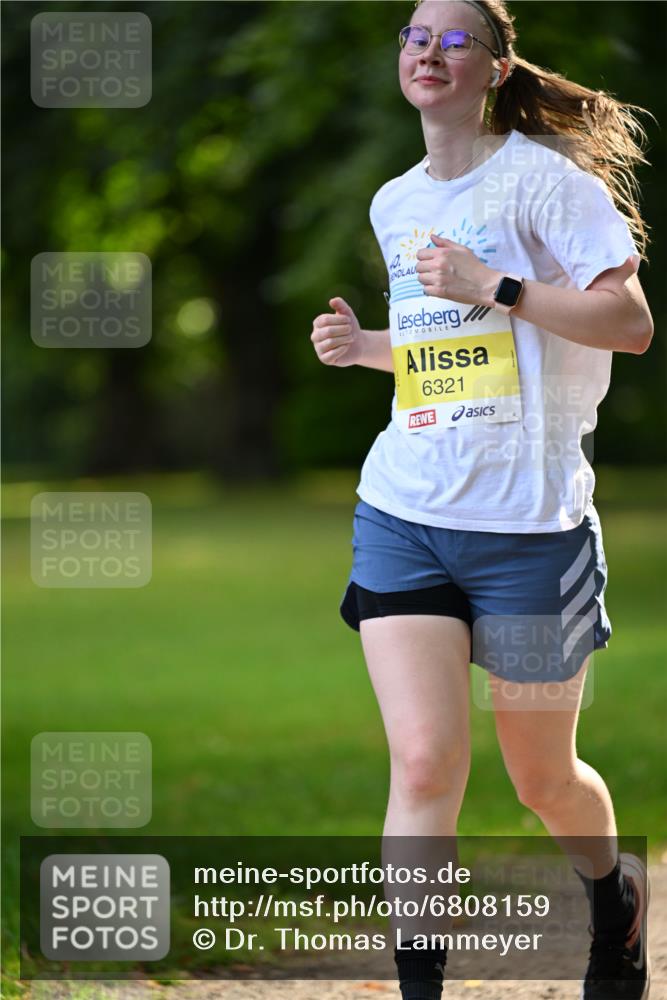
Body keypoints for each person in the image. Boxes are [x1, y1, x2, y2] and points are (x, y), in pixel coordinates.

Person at [310, 1, 655, 997]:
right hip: (405, 516)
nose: (427, 52)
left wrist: (493, 282)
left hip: (531, 533)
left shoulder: (548, 184)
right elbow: (450, 363)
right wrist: (368, 349)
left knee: (543, 778)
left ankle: (611, 900)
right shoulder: (393, 201)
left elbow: (627, 324)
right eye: (414, 37)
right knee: (421, 765)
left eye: (453, 38)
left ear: (496, 68)